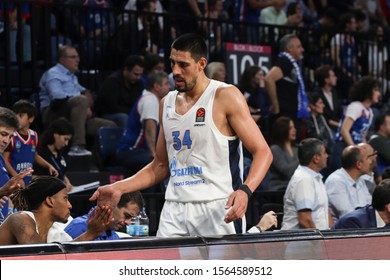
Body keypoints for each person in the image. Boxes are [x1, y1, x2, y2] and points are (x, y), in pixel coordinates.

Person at [90, 33, 273, 237]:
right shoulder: (165, 103)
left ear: (201, 63)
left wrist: (245, 191)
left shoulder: (225, 96)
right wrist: (119, 187)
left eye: (183, 65)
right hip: (174, 208)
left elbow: (263, 152)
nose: (175, 71)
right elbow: (160, 165)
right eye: (172, 63)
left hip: (218, 206)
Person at [38, 45, 116, 156]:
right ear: (62, 59)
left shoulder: (72, 76)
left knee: (109, 125)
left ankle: (98, 158)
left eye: (78, 57)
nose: (77, 60)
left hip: (75, 114)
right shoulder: (53, 73)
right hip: (53, 112)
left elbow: (83, 91)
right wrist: (84, 103)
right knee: (80, 100)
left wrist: (86, 94)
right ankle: (77, 146)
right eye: (73, 57)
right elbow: (57, 97)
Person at [0, 176, 110, 245]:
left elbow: (65, 257)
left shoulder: (57, 233)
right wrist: (89, 234)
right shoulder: (20, 218)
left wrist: (92, 233)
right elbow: (38, 256)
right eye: (65, 198)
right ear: (50, 201)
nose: (70, 206)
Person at [116, 71, 170, 175]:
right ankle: (149, 192)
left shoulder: (155, 100)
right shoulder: (150, 100)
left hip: (139, 151)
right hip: (130, 151)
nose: (169, 87)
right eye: (166, 83)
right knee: (157, 166)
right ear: (157, 86)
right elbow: (150, 129)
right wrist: (154, 154)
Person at [264, 33, 309, 140]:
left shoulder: (292, 63)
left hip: (291, 115)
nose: (302, 49)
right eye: (299, 46)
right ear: (289, 48)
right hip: (284, 117)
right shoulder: (285, 61)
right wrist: (275, 108)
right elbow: (269, 79)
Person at [4, 100, 58, 187]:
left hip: (26, 182)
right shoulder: (11, 135)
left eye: (20, 115)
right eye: (15, 115)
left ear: (31, 119)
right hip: (12, 183)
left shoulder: (34, 135)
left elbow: (35, 156)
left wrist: (49, 166)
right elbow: (4, 160)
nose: (16, 118)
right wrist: (17, 178)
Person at [281, 138, 333, 230]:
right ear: (316, 158)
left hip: (316, 240)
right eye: (324, 153)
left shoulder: (316, 177)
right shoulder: (303, 179)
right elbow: (305, 220)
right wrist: (320, 243)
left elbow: (325, 211)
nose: (327, 156)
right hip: (299, 242)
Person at [331, 76, 380, 171]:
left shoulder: (370, 112)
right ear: (367, 91)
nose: (379, 93)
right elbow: (344, 131)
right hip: (343, 148)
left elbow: (363, 136)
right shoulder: (356, 106)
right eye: (376, 90)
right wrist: (355, 150)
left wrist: (366, 152)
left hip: (355, 150)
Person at [65, 191, 143, 240]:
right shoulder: (77, 228)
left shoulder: (114, 236)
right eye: (126, 215)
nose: (128, 222)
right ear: (110, 205)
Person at [325, 145, 373, 222]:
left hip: (362, 228)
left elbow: (370, 207)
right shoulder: (336, 181)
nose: (370, 162)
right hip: (345, 231)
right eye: (367, 158)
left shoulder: (360, 180)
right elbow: (348, 216)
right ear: (359, 164)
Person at [95, 55, 145, 128]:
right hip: (108, 114)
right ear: (126, 70)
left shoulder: (138, 83)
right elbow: (112, 107)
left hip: (130, 113)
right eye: (135, 74)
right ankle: (126, 139)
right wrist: (133, 111)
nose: (138, 77)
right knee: (123, 117)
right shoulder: (112, 81)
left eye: (140, 74)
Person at [33, 117, 74, 191]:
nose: (66, 143)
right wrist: (57, 185)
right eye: (65, 139)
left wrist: (68, 183)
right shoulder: (41, 153)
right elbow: (34, 177)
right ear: (55, 134)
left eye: (68, 140)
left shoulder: (61, 153)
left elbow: (62, 173)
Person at [268, 116, 299, 191]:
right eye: (290, 128)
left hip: (295, 186)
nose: (294, 130)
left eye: (294, 127)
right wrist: (304, 158)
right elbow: (286, 172)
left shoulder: (297, 148)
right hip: (279, 188)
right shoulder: (275, 149)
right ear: (282, 130)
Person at [313, 65, 343, 133]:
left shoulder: (334, 93)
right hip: (325, 127)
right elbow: (323, 117)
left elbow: (339, 112)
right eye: (333, 76)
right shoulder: (317, 94)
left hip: (336, 126)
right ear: (326, 80)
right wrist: (339, 125)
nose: (336, 78)